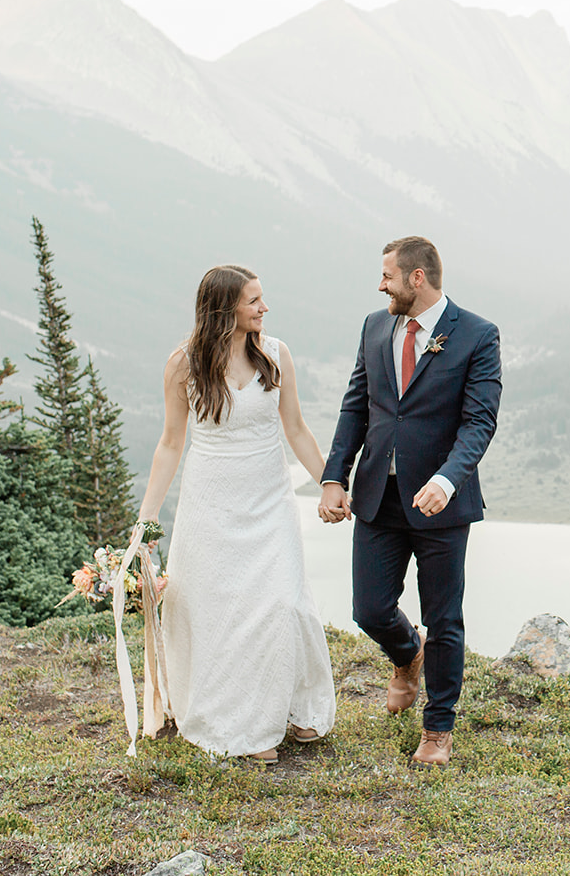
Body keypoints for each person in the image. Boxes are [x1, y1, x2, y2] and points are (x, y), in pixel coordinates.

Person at [137, 264, 337, 764]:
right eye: (254, 301)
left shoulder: (276, 354)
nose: (264, 308)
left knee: (282, 604)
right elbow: (169, 444)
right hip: (210, 505)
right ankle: (243, 727)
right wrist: (146, 521)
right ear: (225, 308)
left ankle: (290, 708)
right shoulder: (183, 365)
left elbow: (296, 429)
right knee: (218, 614)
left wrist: (331, 483)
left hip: (269, 501)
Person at [318, 236, 502, 767]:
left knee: (444, 617)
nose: (381, 285)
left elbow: (479, 421)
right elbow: (357, 406)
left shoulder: (477, 335)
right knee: (369, 608)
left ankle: (438, 727)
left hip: (442, 502)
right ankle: (406, 653)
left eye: (388, 276)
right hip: (380, 495)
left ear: (416, 278)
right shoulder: (376, 327)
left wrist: (447, 480)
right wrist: (336, 477)